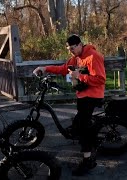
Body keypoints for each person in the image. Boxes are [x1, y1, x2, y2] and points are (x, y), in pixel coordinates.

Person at [33, 34, 106, 176]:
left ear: (80, 44)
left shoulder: (93, 56)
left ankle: (88, 160)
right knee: (78, 124)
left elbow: (100, 79)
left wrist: (79, 76)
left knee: (83, 127)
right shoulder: (76, 58)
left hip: (92, 95)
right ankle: (91, 141)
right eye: (69, 49)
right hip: (83, 94)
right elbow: (64, 69)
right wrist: (45, 68)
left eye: (73, 48)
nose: (71, 51)